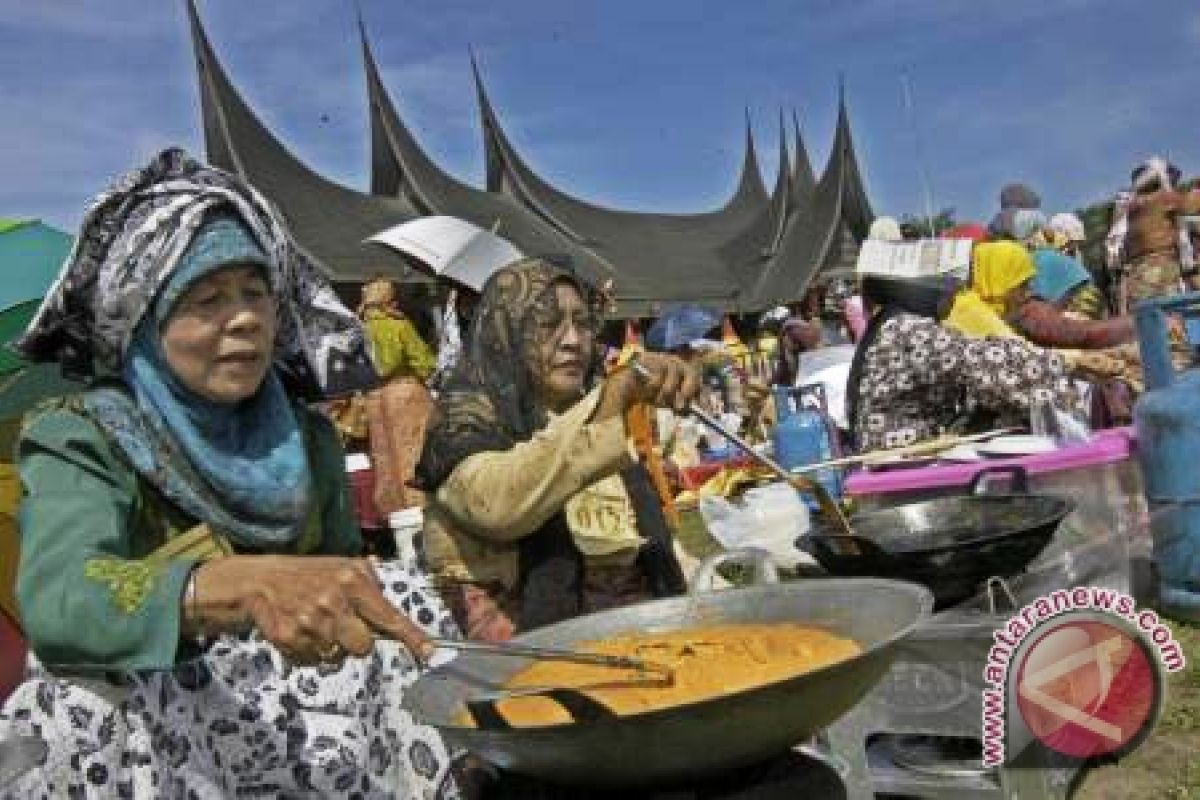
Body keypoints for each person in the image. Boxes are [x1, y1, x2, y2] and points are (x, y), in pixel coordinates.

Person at [0, 149, 467, 798]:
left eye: (255, 293)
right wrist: (225, 587)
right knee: (70, 698)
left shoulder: (307, 438)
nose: (244, 317)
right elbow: (60, 599)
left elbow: (336, 579)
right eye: (206, 298)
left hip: (302, 720)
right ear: (142, 315)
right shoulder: (84, 432)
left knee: (400, 592)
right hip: (160, 730)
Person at [416, 259, 697, 642]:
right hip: (525, 658)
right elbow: (494, 505)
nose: (572, 340)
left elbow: (643, 538)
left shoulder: (588, 412)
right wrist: (610, 403)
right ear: (507, 333)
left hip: (632, 640)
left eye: (582, 323)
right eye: (549, 325)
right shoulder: (465, 422)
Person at [848, 275, 1078, 451]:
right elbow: (985, 364)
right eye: (945, 286)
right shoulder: (907, 328)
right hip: (899, 461)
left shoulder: (892, 320)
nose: (955, 294)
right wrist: (1069, 364)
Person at [355, 277, 438, 514]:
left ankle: (393, 514)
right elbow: (425, 364)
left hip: (374, 399)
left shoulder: (357, 328)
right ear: (389, 300)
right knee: (414, 455)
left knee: (385, 461)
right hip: (405, 395)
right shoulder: (399, 325)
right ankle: (420, 509)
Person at [1119, 156, 1200, 313]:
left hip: (1136, 273)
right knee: (1169, 321)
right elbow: (1191, 204)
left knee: (1146, 322)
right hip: (1160, 267)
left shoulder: (1132, 207)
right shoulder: (1163, 199)